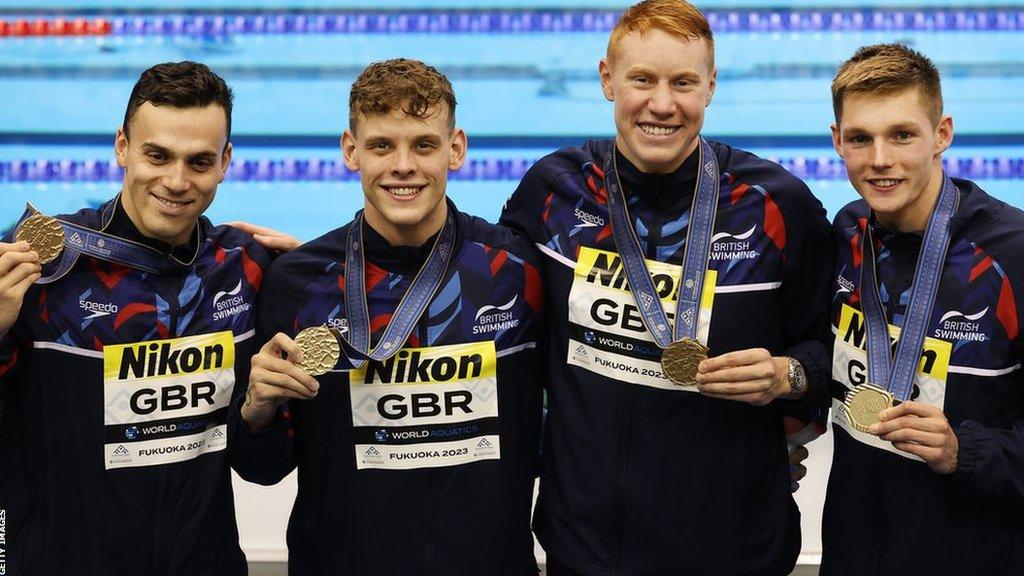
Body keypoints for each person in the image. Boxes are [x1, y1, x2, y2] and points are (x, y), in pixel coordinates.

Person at [499, 0, 834, 574]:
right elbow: (476, 286)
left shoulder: (779, 206)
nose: (662, 103)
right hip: (587, 547)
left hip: (734, 546)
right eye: (642, 79)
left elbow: (838, 351)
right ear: (608, 80)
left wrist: (789, 375)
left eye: (683, 82)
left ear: (710, 87)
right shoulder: (552, 191)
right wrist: (319, 263)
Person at [232, 58, 545, 575]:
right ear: (351, 151)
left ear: (456, 148)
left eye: (423, 144)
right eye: (381, 145)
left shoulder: (516, 269)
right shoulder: (298, 285)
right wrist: (257, 410)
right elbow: (261, 468)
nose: (403, 165)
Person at [0, 61, 274, 575]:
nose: (176, 181)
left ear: (226, 161)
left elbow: (264, 464)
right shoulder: (42, 269)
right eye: (157, 155)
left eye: (199, 161)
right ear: (123, 146)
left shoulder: (244, 270)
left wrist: (319, 274)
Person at [823, 43, 1024, 575]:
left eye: (902, 135)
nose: (880, 159)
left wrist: (965, 452)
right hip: (852, 549)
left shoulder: (1012, 255)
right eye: (861, 138)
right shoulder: (847, 231)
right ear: (837, 140)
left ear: (942, 134)